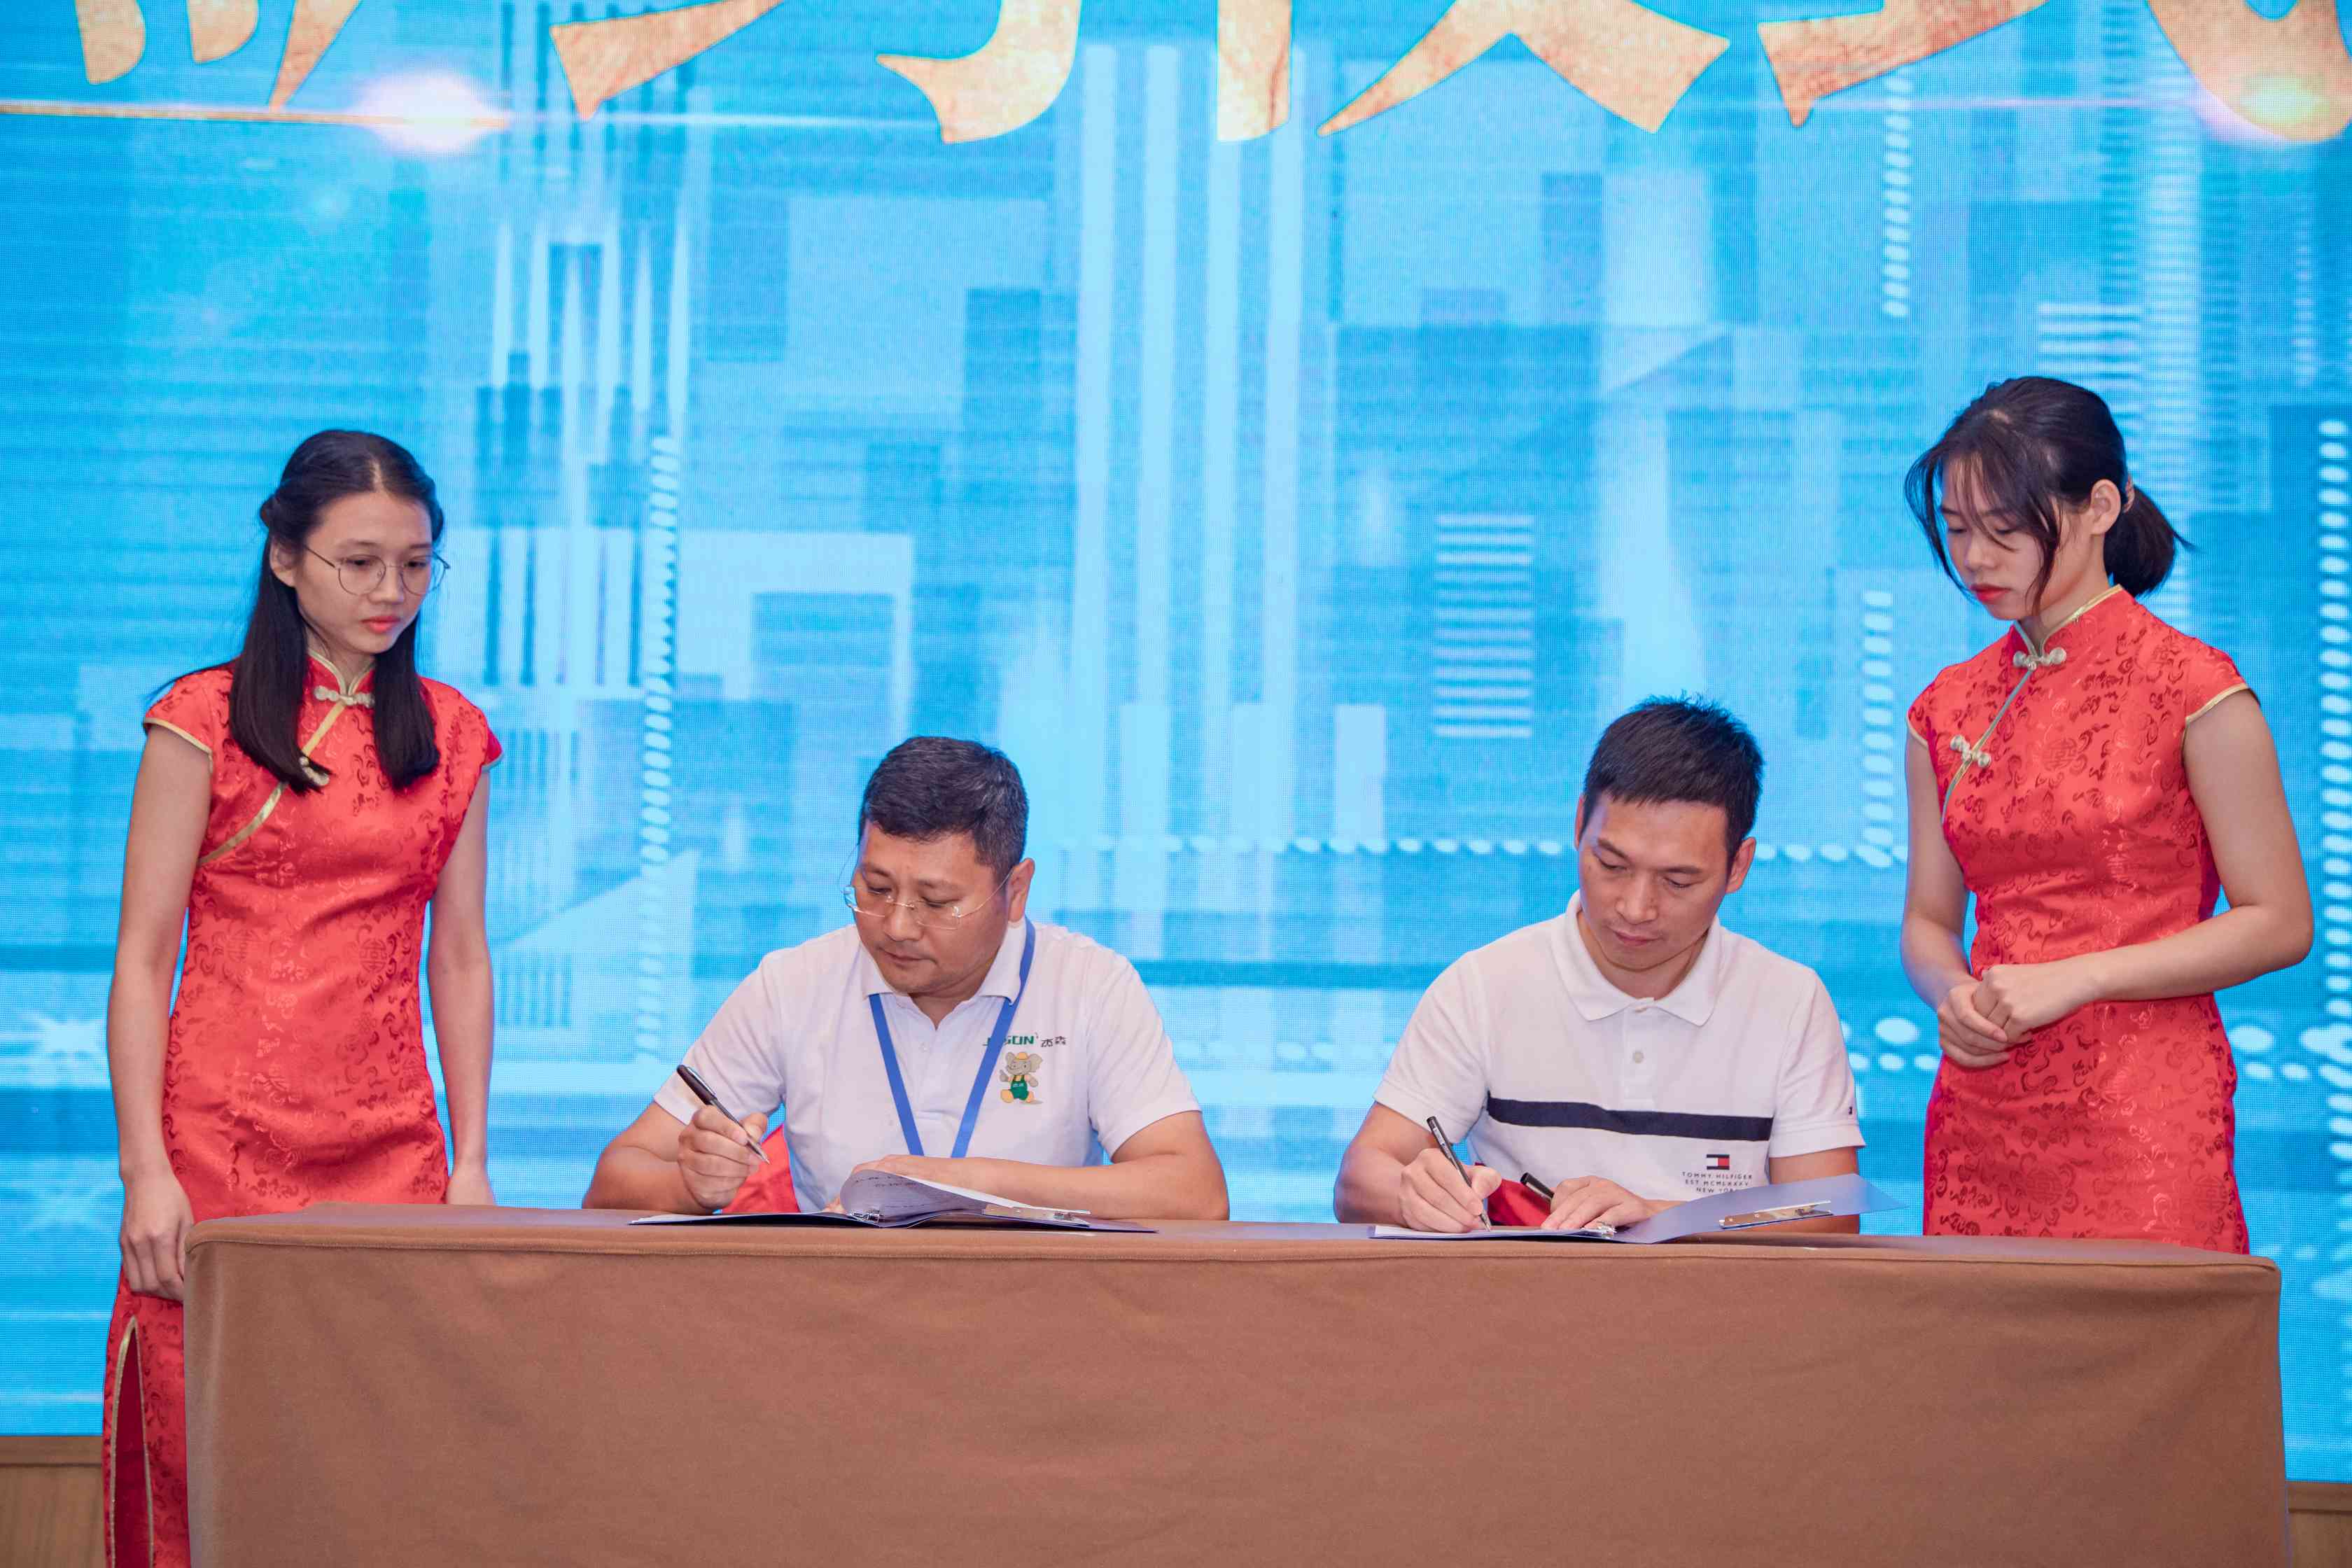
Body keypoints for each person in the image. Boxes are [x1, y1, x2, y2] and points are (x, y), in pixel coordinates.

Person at [103, 430, 500, 1567]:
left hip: (391, 1152)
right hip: (219, 1151)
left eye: (415, 565)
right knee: (210, 1438)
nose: (391, 592)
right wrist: (146, 1171)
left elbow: (460, 958)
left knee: (383, 1451)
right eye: (359, 563)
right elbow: (143, 959)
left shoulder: (453, 734)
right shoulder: (203, 718)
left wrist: (471, 1161)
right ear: (284, 557)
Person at [1900, 377, 2309, 1252]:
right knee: (1977, 1338)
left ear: (2100, 507)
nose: (1975, 559)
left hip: (2141, 1111)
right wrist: (1952, 994)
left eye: (2004, 530)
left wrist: (2079, 976)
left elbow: (2280, 921)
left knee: (2143, 1336)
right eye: (1958, 528)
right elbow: (1930, 921)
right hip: (1983, 1110)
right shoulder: (1945, 706)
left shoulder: (2194, 687)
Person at [586, 737, 1227, 1220]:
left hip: (1036, 1322)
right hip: (838, 1325)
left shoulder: (1090, 985)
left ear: (1016, 891)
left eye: (937, 901)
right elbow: (615, 1178)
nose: (896, 926)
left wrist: (965, 1184)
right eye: (876, 888)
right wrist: (689, 1184)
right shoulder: (793, 985)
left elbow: (1195, 1193)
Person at [1335, 699, 1863, 1233]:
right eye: (1612, 865)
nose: (1635, 908)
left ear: (1738, 867)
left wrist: (1660, 1218)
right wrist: (1411, 1195)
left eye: (1677, 881)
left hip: (1715, 1289)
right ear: (1579, 824)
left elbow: (1829, 1215)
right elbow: (1359, 1179)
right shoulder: (1484, 985)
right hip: (1523, 1286)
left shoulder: (1788, 1000)